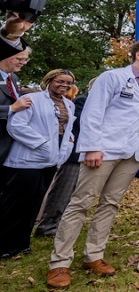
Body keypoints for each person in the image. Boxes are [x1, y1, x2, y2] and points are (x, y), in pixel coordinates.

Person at [46, 41, 139, 289]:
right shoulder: (111, 78)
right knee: (81, 202)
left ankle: (94, 256)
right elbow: (92, 113)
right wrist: (91, 147)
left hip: (132, 153)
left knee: (110, 203)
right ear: (138, 55)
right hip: (104, 150)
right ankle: (59, 264)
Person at [0, 69, 76, 260]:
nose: (64, 85)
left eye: (68, 83)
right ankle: (4, 246)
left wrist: (68, 143)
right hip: (26, 162)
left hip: (50, 161)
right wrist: (42, 144)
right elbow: (15, 125)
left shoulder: (69, 104)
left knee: (34, 204)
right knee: (15, 204)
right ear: (49, 80)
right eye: (60, 81)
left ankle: (22, 243)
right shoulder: (33, 99)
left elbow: (67, 130)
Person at [35, 77, 96, 237]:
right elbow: (83, 124)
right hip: (75, 154)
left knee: (76, 193)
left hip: (87, 154)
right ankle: (47, 227)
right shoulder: (83, 101)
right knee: (62, 191)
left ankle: (61, 224)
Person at [0, 47, 33, 166]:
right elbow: (14, 106)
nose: (23, 63)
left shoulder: (14, 78)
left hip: (7, 142)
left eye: (26, 59)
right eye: (19, 59)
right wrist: (11, 108)